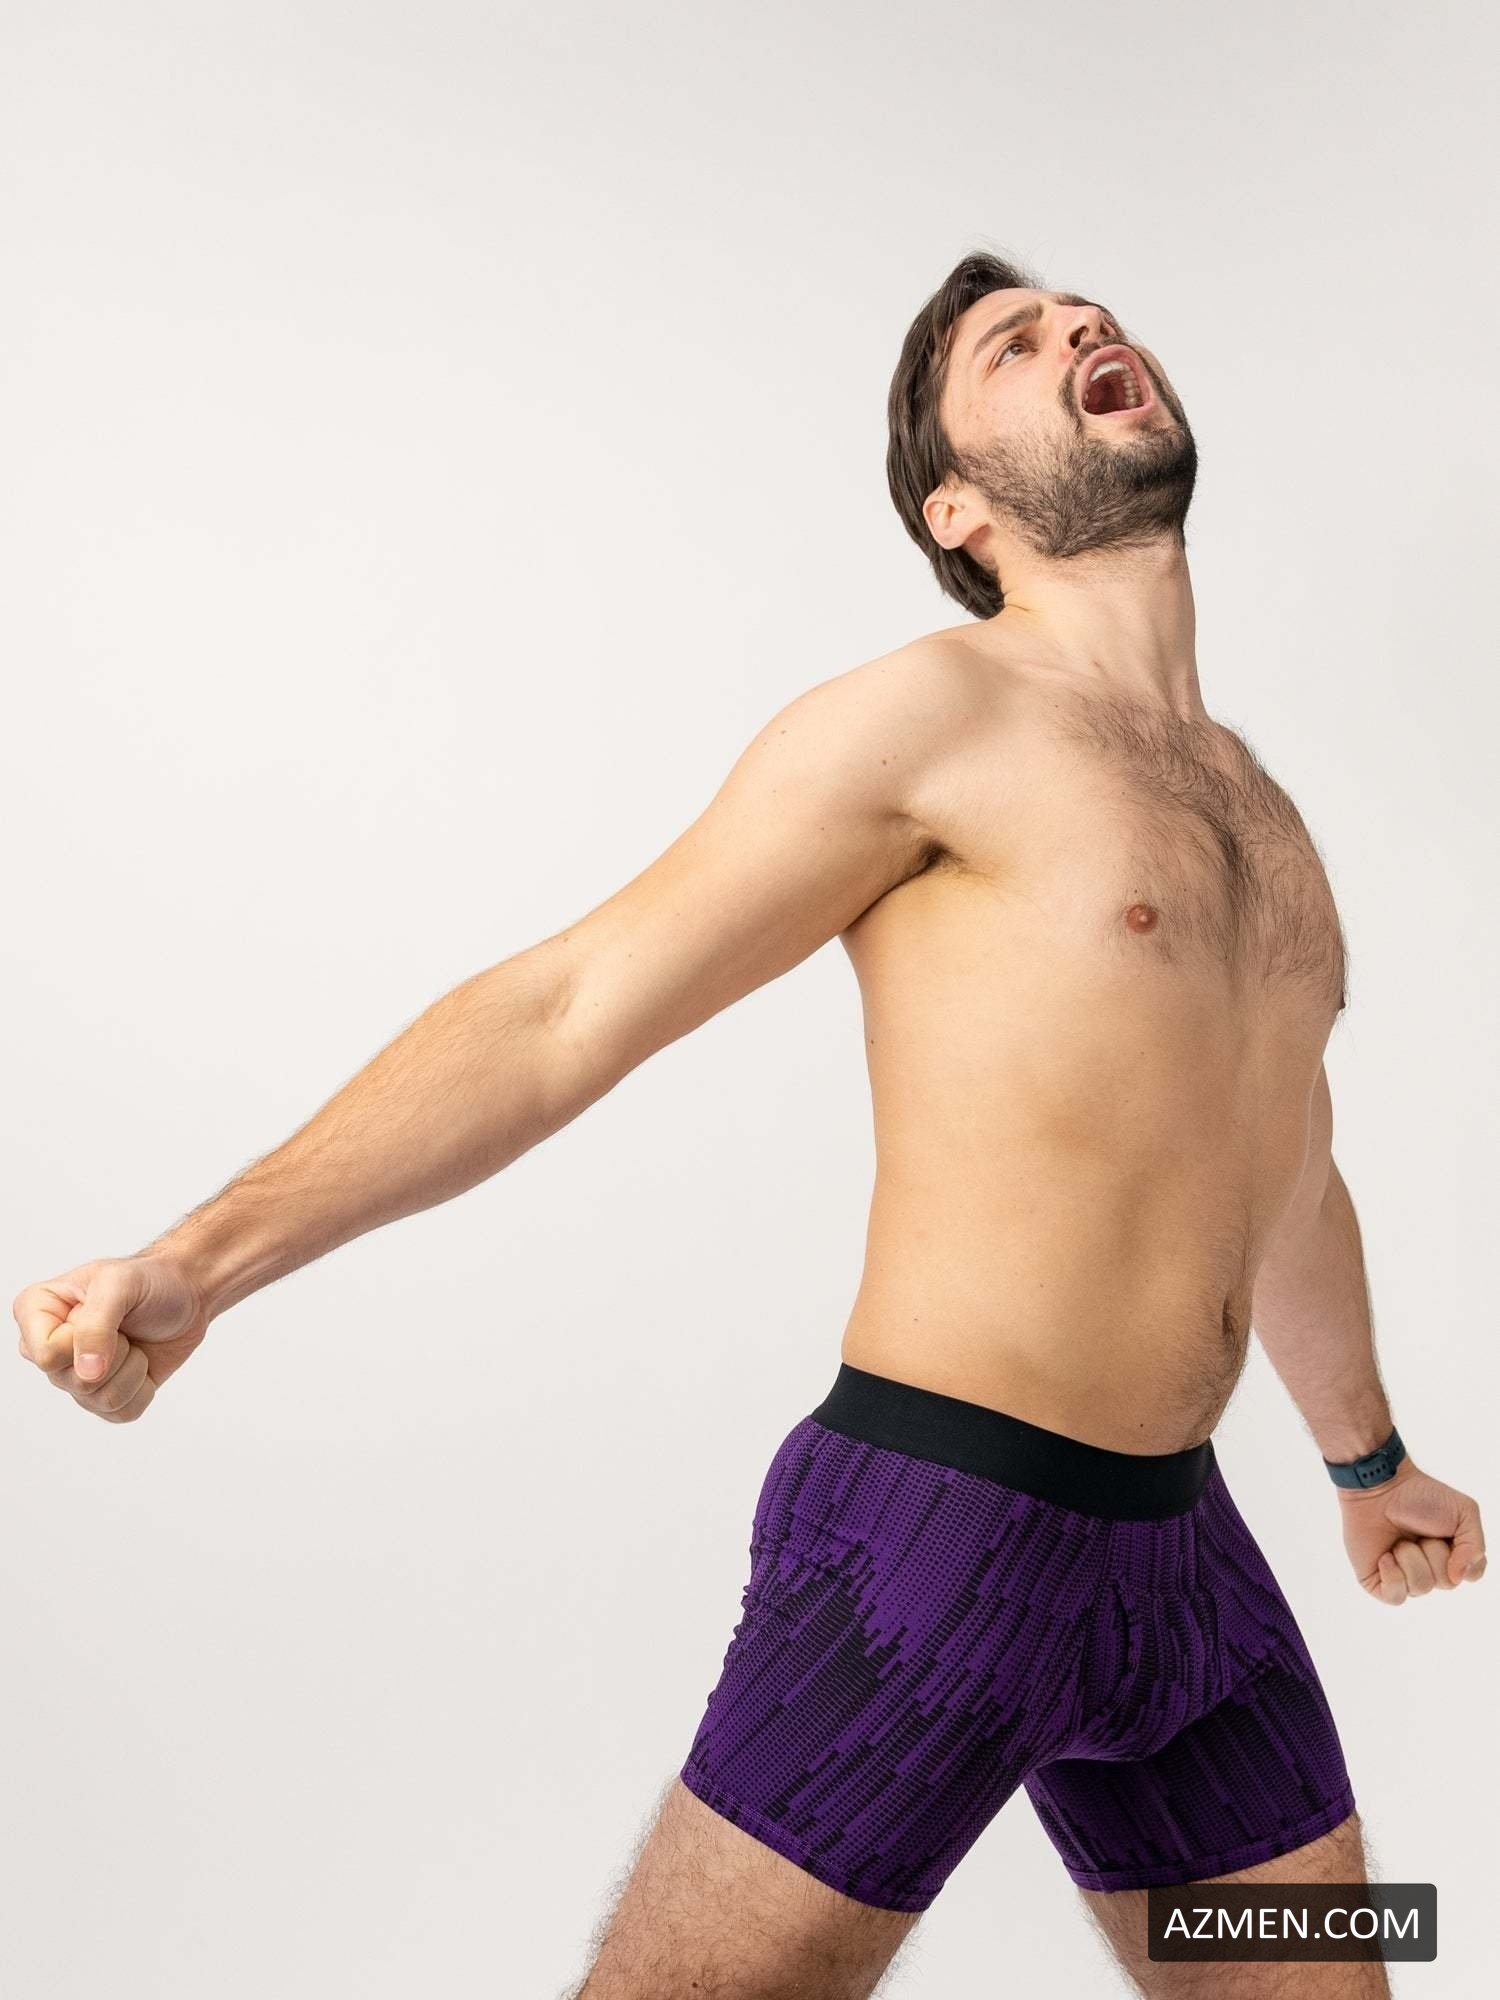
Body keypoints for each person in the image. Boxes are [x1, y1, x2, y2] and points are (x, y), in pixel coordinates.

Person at [15, 250, 1485, 1999]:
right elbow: (567, 1008)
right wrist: (199, 1261)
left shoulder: (1258, 806)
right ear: (958, 512)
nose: (1085, 330)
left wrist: (1366, 1462)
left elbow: (1288, 1165)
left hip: (1192, 1581)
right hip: (941, 1545)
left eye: (1087, 314)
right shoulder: (930, 718)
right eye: (1015, 345)